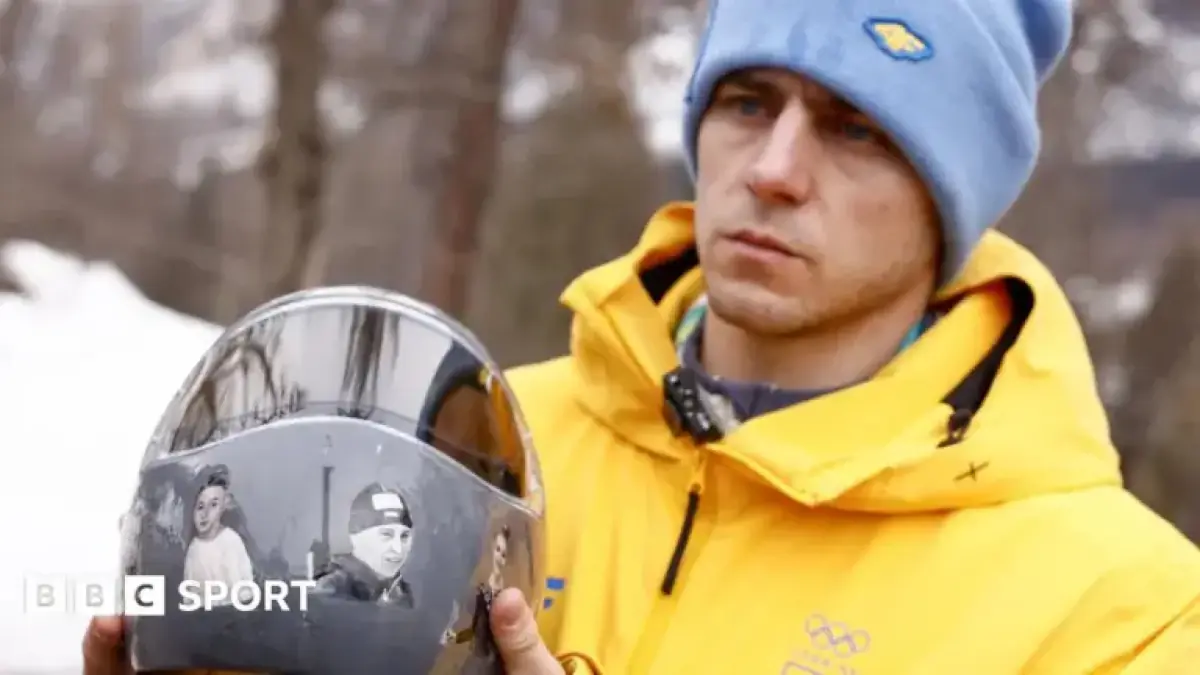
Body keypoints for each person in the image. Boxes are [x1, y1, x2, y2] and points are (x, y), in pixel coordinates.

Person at [84, 0, 1200, 673]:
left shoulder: (1124, 613)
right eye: (748, 102)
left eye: (858, 129)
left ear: (956, 199)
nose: (774, 169)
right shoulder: (481, 442)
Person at [312, 483, 416, 607]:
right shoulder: (332, 592)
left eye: (404, 536)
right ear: (356, 537)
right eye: (386, 535)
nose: (398, 549)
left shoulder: (400, 591)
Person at [182, 465, 256, 606]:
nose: (205, 514)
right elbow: (190, 596)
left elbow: (243, 594)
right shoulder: (194, 549)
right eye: (200, 507)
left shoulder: (230, 541)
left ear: (223, 507)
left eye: (213, 505)